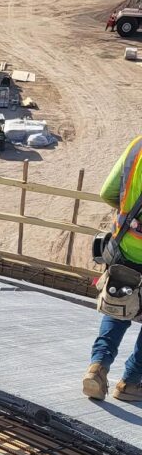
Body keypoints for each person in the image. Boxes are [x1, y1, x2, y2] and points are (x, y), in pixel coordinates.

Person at [83, 136, 142, 402]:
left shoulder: (137, 146)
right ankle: (130, 382)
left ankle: (97, 369)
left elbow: (108, 192)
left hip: (126, 247)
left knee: (118, 303)